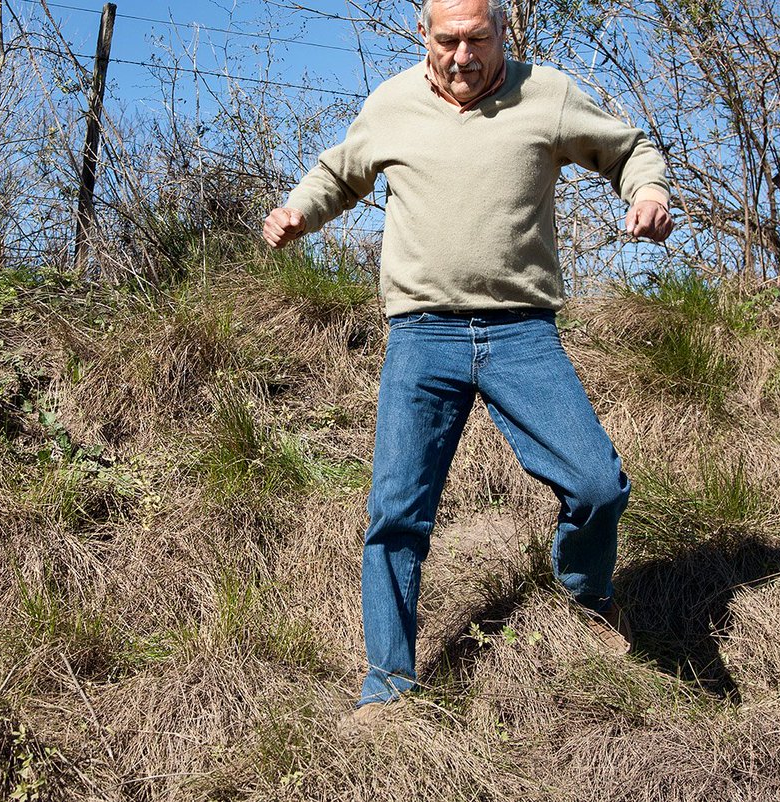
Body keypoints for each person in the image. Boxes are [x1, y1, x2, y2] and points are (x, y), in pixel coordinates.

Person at [263, 0, 674, 715]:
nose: (462, 56)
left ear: (502, 34)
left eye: (477, 40)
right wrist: (299, 210)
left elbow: (629, 148)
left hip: (522, 334)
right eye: (447, 40)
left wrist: (649, 191)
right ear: (425, 35)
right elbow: (338, 172)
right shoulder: (391, 104)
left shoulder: (546, 94)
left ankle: (585, 588)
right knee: (396, 514)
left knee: (599, 485)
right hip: (422, 338)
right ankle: (389, 687)